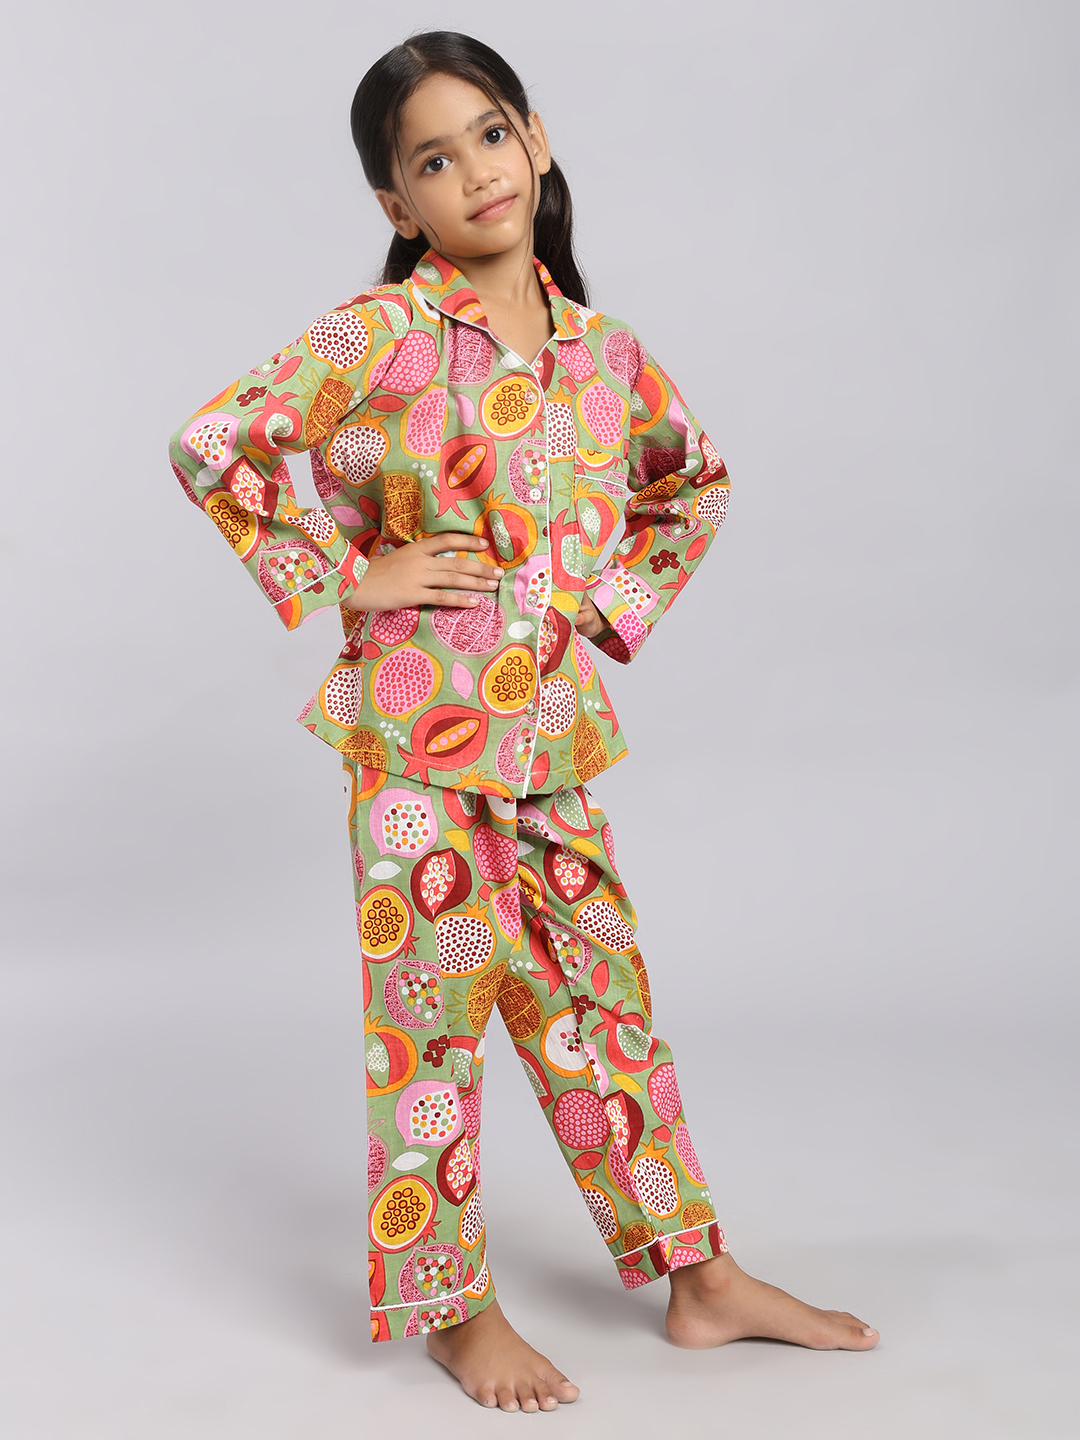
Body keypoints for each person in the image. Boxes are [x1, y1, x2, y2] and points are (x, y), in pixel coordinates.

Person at [168, 30, 879, 1413]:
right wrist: (342, 576)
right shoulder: (378, 335)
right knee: (430, 1021)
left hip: (549, 733)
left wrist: (604, 607)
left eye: (491, 134)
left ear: (537, 141)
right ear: (398, 203)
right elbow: (212, 444)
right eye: (434, 160)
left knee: (602, 1002)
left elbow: (694, 484)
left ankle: (699, 1276)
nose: (476, 171)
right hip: (412, 736)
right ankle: (454, 1310)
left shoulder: (606, 356)